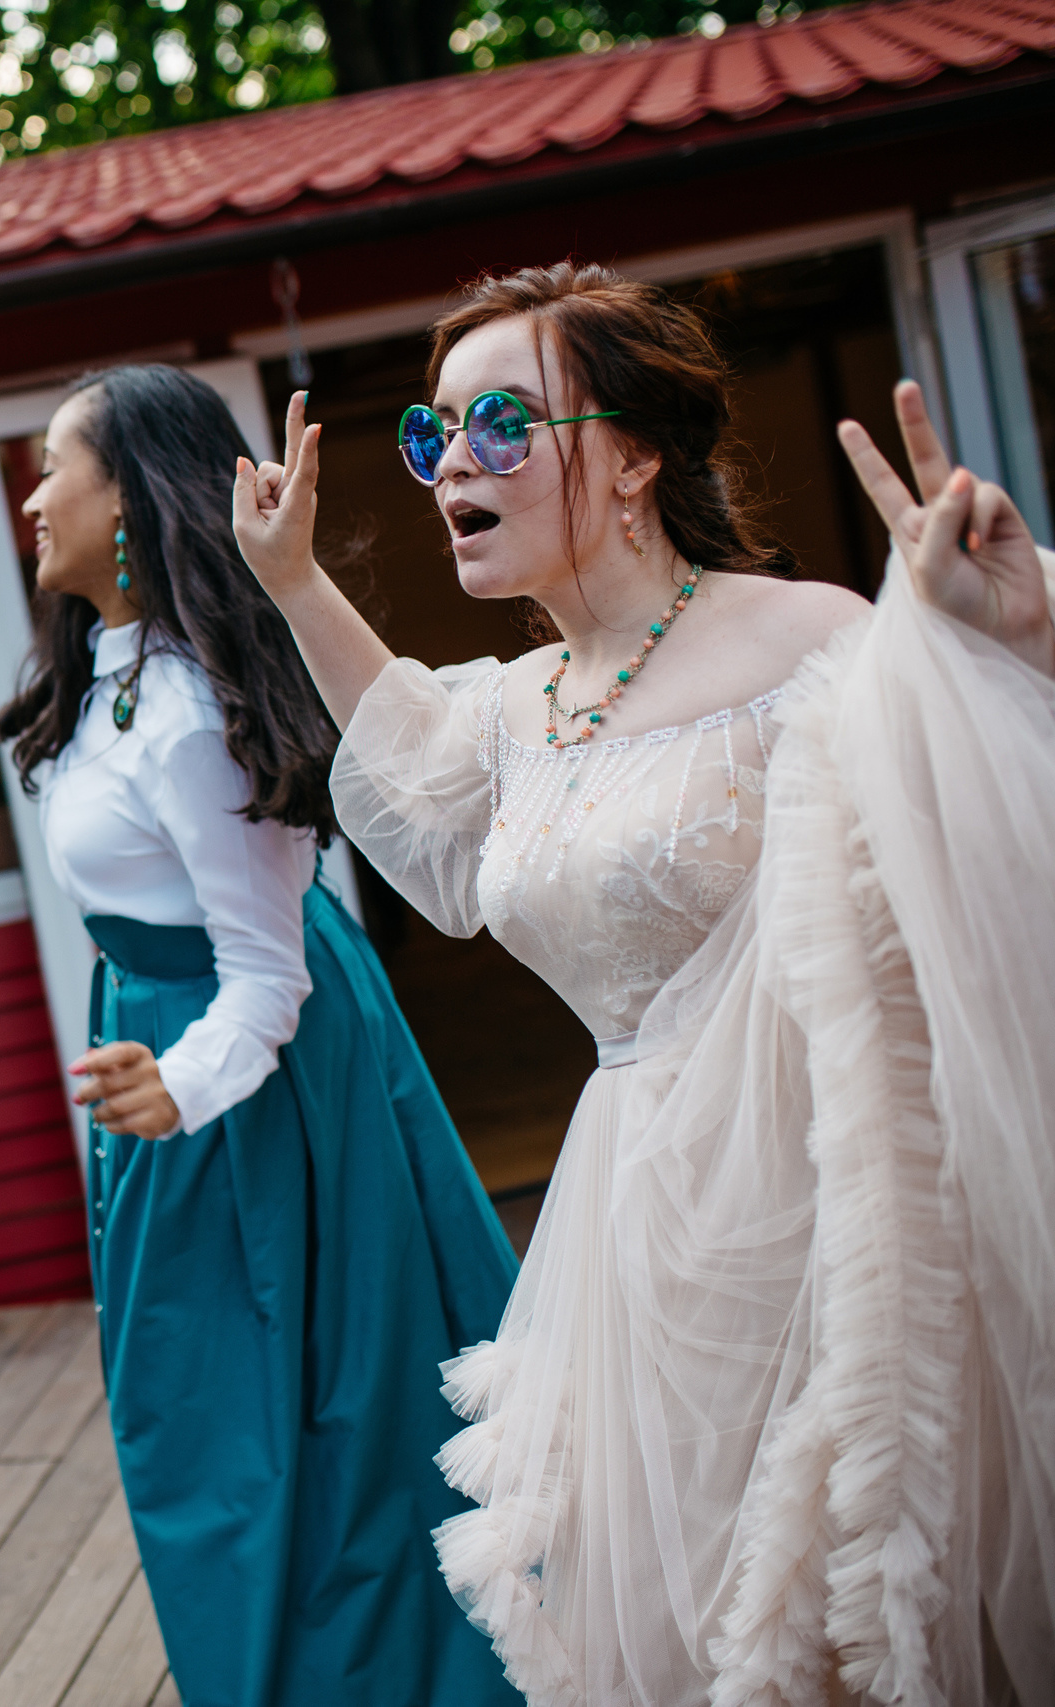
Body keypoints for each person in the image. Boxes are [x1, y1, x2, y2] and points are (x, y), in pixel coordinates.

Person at [231, 261, 1055, 1704]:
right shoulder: (519, 711)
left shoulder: (810, 638)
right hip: (636, 1224)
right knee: (705, 1620)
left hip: (834, 1195)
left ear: (633, 452)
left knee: (862, 1606)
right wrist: (294, 583)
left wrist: (1004, 636)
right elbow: (412, 769)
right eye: (435, 438)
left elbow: (990, 839)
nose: (451, 469)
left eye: (500, 423)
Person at [0, 364, 520, 1705]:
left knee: (295, 1427)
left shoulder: (185, 711)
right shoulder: (105, 678)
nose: (31, 493)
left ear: (134, 499)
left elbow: (269, 970)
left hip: (257, 1083)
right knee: (202, 1416)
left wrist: (181, 1082)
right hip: (171, 1054)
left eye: (57, 464)